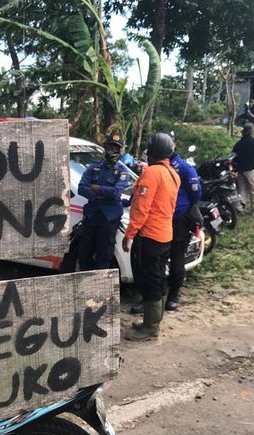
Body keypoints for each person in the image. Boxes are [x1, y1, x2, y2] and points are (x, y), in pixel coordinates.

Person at [123, 132, 180, 341]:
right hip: (165, 235)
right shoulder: (173, 174)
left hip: (150, 236)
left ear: (153, 151)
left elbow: (141, 209)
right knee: (157, 278)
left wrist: (129, 234)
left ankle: (150, 327)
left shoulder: (152, 173)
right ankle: (152, 322)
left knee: (149, 280)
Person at [76, 133, 130, 271]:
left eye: (116, 148)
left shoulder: (123, 172)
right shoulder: (93, 167)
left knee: (104, 257)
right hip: (91, 215)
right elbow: (82, 189)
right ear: (105, 147)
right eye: (110, 146)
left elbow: (116, 193)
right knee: (84, 253)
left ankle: (99, 289)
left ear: (121, 150)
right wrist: (103, 194)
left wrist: (96, 188)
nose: (113, 150)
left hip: (109, 219)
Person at [165, 147, 202, 311]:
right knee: (157, 259)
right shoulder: (157, 167)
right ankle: (153, 297)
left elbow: (195, 193)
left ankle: (173, 294)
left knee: (177, 258)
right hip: (161, 219)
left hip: (178, 219)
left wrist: (182, 207)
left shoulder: (184, 168)